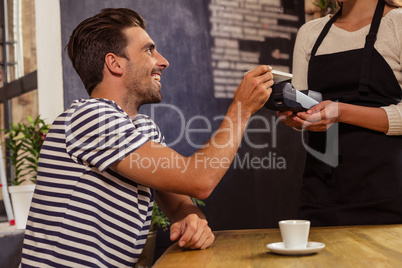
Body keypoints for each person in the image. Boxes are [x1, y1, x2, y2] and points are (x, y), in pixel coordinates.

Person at [21, 8, 273, 267]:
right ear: (114, 63)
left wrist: (190, 218)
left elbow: (178, 204)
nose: (163, 61)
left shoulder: (141, 128)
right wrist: (242, 108)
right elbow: (199, 180)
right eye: (149, 50)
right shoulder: (89, 116)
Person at [278, 0, 402, 227]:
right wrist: (296, 117)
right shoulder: (310, 33)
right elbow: (304, 103)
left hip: (390, 193)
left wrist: (342, 112)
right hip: (320, 193)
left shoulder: (399, 24)